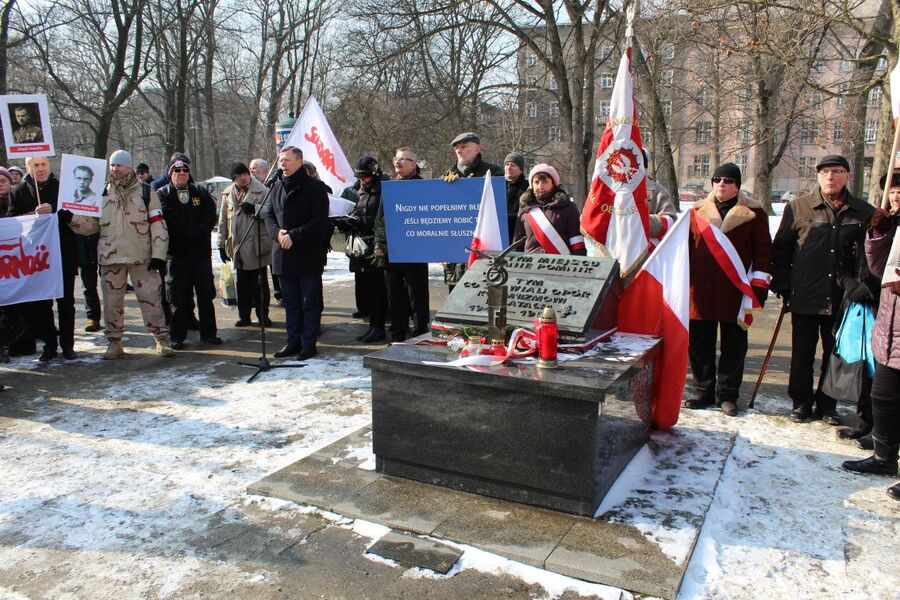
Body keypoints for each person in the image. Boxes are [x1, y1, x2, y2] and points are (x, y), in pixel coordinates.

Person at [771, 155, 876, 424]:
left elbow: (870, 257)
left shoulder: (863, 212)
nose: (831, 176)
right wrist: (783, 284)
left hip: (843, 299)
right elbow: (781, 250)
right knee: (802, 353)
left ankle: (828, 405)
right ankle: (801, 403)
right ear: (817, 176)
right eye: (825, 171)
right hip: (805, 294)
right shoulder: (799, 207)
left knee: (835, 354)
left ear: (848, 176)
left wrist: (863, 287)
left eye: (837, 171)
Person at [683, 163, 772, 416]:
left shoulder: (754, 214)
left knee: (734, 346)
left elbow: (764, 253)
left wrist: (758, 288)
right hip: (700, 291)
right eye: (718, 179)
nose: (722, 183)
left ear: (737, 185)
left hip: (736, 292)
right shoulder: (696, 213)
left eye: (729, 180)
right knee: (700, 345)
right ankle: (703, 391)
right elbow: (686, 250)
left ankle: (728, 395)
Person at [68, 150, 174, 358]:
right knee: (112, 303)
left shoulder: (146, 192)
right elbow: (90, 226)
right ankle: (114, 342)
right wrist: (71, 219)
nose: (115, 169)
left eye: (119, 165)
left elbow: (158, 225)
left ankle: (161, 339)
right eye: (112, 166)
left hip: (142, 257)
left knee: (151, 300)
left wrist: (159, 255)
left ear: (129, 167)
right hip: (110, 258)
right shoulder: (100, 193)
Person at [841, 201, 900, 500]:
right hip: (891, 327)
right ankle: (885, 458)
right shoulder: (896, 226)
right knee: (883, 397)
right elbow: (879, 269)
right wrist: (879, 233)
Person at [7, 156, 78, 360]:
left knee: (66, 304)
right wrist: (30, 216)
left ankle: (68, 346)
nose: (40, 169)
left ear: (49, 166)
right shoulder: (18, 192)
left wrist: (55, 211)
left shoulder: (62, 187)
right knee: (42, 305)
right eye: (35, 165)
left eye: (43, 164)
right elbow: (12, 222)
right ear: (28, 168)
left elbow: (74, 216)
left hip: (63, 254)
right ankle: (49, 345)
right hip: (36, 259)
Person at [262, 145, 329, 360]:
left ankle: (308, 344)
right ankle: (292, 342)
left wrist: (295, 235)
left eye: (287, 160)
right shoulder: (275, 187)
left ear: (299, 161)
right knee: (290, 303)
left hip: (307, 255)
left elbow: (319, 221)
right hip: (283, 255)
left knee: (309, 303)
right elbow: (268, 215)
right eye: (281, 160)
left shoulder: (316, 188)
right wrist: (278, 234)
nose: (283, 164)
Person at [157, 158, 221, 349]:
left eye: (185, 170)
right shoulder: (163, 194)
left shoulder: (199, 192)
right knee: (178, 298)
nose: (182, 173)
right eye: (177, 171)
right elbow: (168, 217)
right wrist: (189, 233)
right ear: (171, 174)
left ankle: (209, 333)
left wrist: (200, 231)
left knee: (205, 295)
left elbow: (210, 213)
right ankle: (177, 336)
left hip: (200, 254)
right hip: (177, 255)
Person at [373, 147, 430, 342]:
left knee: (417, 295)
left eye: (404, 159)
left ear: (414, 164)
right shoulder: (390, 185)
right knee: (394, 296)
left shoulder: (422, 186)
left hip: (415, 249)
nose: (398, 162)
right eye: (396, 158)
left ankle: (420, 333)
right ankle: (397, 334)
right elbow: (380, 217)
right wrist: (378, 243)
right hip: (391, 250)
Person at [441, 132, 501, 289]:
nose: (459, 151)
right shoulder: (447, 176)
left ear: (477, 148)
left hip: (484, 249)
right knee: (455, 301)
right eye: (456, 148)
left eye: (464, 147)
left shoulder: (493, 172)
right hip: (455, 253)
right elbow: (442, 215)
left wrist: (465, 185)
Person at [218, 162, 272, 328]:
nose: (242, 178)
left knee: (259, 284)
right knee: (242, 284)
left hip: (257, 245)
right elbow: (222, 221)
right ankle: (244, 315)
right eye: (237, 176)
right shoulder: (228, 194)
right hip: (237, 246)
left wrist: (255, 209)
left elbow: (272, 211)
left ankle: (263, 315)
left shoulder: (262, 190)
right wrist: (221, 244)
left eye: (244, 174)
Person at [348, 156, 388, 343]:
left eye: (365, 176)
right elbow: (360, 211)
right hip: (363, 244)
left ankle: (378, 326)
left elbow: (382, 218)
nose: (361, 180)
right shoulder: (362, 189)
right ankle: (373, 325)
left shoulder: (383, 188)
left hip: (377, 246)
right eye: (359, 176)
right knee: (369, 289)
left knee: (378, 289)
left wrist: (362, 222)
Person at [513, 164, 586, 256]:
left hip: (560, 264)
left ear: (553, 183)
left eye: (545, 182)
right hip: (531, 264)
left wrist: (579, 263)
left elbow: (576, 240)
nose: (540, 186)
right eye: (536, 182)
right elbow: (518, 241)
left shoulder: (568, 206)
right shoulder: (525, 207)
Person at [643, 149, 678, 246]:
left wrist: (639, 221)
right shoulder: (606, 191)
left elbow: (671, 221)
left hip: (646, 256)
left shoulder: (658, 192)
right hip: (608, 258)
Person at [504, 152, 529, 241]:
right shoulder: (499, 185)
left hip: (519, 234)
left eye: (513, 165)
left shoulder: (528, 187)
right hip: (501, 233)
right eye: (507, 164)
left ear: (521, 169)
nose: (509, 168)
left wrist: (505, 218)